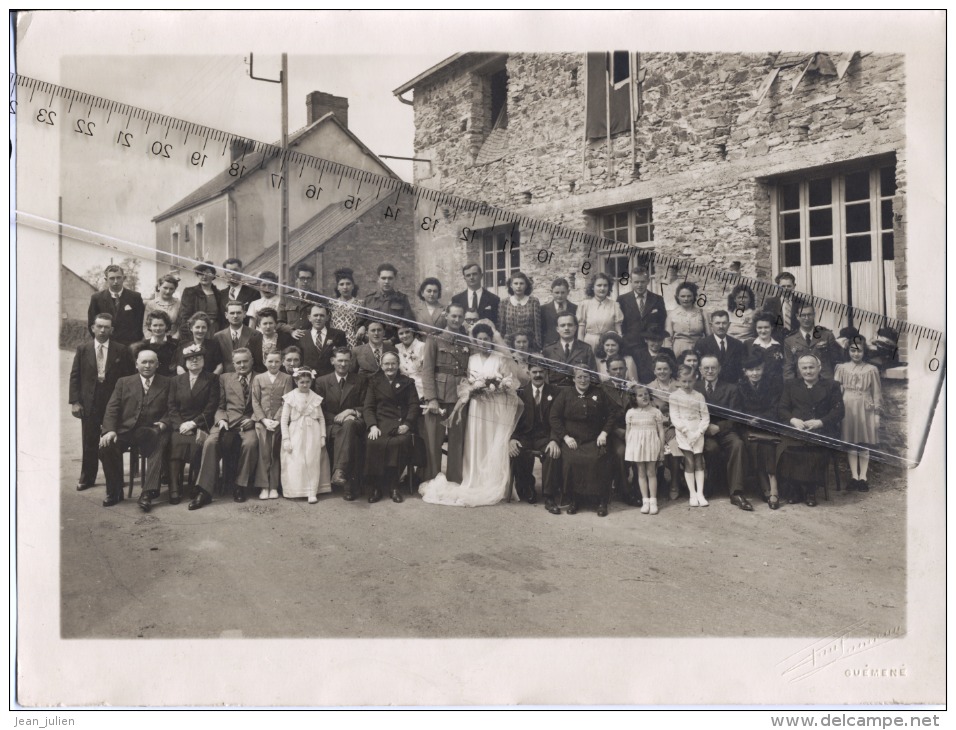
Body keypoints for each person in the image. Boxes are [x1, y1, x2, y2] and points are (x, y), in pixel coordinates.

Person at [419, 321, 524, 507]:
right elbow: (466, 381)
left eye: (486, 339)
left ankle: (492, 479)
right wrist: (474, 388)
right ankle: (473, 478)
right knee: (475, 441)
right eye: (479, 339)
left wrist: (498, 386)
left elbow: (510, 381)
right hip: (476, 405)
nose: (483, 342)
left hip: (494, 406)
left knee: (492, 442)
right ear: (475, 341)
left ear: (492, 340)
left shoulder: (500, 358)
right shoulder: (472, 358)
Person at [98, 348, 171, 510]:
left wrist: (164, 423)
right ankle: (115, 491)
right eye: (143, 362)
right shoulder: (123, 382)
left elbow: (172, 409)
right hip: (127, 430)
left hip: (153, 430)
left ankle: (148, 493)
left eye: (151, 362)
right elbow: (112, 408)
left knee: (158, 445)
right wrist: (110, 430)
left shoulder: (167, 382)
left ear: (157, 364)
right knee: (106, 447)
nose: (147, 365)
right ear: (136, 364)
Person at [70, 313, 134, 492]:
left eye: (106, 327)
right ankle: (87, 478)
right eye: (99, 326)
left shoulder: (121, 349)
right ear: (93, 328)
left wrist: (125, 402)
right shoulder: (83, 349)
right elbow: (75, 376)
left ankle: (116, 479)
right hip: (89, 402)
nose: (103, 330)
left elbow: (129, 378)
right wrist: (75, 401)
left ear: (112, 330)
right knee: (89, 441)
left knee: (112, 440)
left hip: (113, 403)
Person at [190, 348, 259, 509]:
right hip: (226, 421)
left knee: (251, 443)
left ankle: (240, 486)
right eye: (238, 362)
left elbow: (264, 404)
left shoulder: (260, 378)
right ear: (233, 364)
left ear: (252, 361)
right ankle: (205, 491)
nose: (242, 365)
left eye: (245, 361)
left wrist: (254, 419)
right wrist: (221, 420)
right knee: (211, 442)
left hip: (248, 423)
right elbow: (219, 405)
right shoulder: (224, 378)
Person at [548, 366, 619, 517]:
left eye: (586, 377)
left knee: (598, 459)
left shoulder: (599, 393)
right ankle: (575, 499)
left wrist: (604, 433)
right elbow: (554, 417)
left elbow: (612, 414)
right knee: (571, 460)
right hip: (573, 440)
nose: (583, 380)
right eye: (579, 377)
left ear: (590, 378)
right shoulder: (565, 394)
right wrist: (566, 437)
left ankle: (601, 500)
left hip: (594, 439)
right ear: (573, 379)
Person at [778, 353, 845, 507]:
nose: (808, 371)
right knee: (788, 448)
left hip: (822, 430)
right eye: (804, 368)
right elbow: (782, 408)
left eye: (811, 367)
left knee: (814, 450)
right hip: (797, 429)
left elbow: (839, 412)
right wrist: (793, 420)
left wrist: (820, 422)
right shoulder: (791, 385)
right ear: (799, 370)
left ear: (819, 368)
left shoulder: (832, 385)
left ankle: (810, 490)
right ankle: (795, 489)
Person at [420, 303, 471, 483]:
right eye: (453, 316)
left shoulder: (467, 341)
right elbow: (427, 371)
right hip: (439, 397)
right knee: (434, 441)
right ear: (446, 317)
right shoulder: (434, 339)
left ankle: (455, 479)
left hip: (459, 397)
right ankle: (432, 480)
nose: (457, 320)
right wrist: (431, 398)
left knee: (457, 442)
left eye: (460, 317)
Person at [696, 355, 752, 511]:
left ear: (719, 369)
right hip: (703, 432)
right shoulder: (695, 387)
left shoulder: (731, 388)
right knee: (711, 448)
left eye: (713, 367)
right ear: (700, 370)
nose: (710, 371)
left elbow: (736, 415)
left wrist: (719, 427)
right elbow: (690, 413)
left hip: (725, 430)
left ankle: (736, 492)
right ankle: (709, 485)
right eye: (706, 368)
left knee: (738, 444)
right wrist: (705, 428)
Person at [166, 343, 219, 506]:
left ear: (204, 360)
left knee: (198, 445)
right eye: (190, 359)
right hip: (180, 425)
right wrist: (181, 424)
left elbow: (211, 407)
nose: (194, 361)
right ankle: (174, 488)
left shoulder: (212, 379)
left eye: (198, 358)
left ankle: (195, 485)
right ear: (185, 362)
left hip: (200, 423)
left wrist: (194, 423)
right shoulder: (176, 381)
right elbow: (171, 406)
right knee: (175, 443)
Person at [364, 351, 420, 504]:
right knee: (373, 442)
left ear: (398, 364)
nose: (390, 367)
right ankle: (376, 487)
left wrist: (407, 424)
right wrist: (373, 426)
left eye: (393, 363)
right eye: (386, 364)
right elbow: (368, 407)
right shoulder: (374, 381)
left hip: (400, 424)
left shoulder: (407, 382)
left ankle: (394, 486)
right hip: (380, 424)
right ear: (381, 366)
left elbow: (414, 405)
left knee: (399, 443)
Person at [313, 348, 368, 500]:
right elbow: (320, 409)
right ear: (333, 361)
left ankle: (339, 470)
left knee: (350, 425)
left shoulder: (360, 380)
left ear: (351, 362)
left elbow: (366, 405)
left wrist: (350, 412)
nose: (343, 364)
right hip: (332, 425)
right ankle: (349, 486)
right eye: (340, 360)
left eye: (346, 360)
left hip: (356, 421)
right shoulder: (322, 381)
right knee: (352, 439)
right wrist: (340, 418)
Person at [510, 359, 561, 509]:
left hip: (545, 437)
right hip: (525, 436)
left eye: (541, 372)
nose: (538, 375)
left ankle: (549, 495)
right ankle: (527, 487)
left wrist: (554, 439)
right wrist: (512, 439)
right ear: (528, 373)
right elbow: (512, 419)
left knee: (552, 453)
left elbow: (558, 420)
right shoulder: (520, 393)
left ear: (546, 373)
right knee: (517, 451)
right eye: (534, 372)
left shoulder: (555, 392)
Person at [834, 336, 882, 493]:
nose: (855, 354)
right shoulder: (841, 368)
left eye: (859, 350)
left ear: (864, 351)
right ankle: (854, 476)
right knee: (851, 442)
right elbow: (836, 392)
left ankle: (863, 477)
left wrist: (876, 415)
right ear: (848, 351)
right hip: (847, 407)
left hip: (865, 407)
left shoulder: (871, 370)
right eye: (852, 350)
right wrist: (836, 410)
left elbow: (876, 393)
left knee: (863, 443)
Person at [737, 354, 783, 509]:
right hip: (747, 426)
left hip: (766, 424)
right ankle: (765, 486)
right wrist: (747, 419)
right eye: (751, 370)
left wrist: (761, 419)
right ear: (745, 371)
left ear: (763, 369)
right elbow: (737, 409)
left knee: (768, 445)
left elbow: (775, 407)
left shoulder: (771, 384)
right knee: (753, 444)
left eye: (758, 369)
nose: (755, 373)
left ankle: (772, 486)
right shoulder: (740, 386)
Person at [281, 368, 330, 504]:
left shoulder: (315, 398)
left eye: (307, 382)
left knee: (312, 460)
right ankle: (294, 489)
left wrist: (322, 436)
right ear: (296, 381)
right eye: (301, 382)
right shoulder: (290, 397)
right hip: (295, 431)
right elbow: (284, 420)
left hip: (313, 431)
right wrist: (286, 439)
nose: (305, 385)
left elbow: (321, 418)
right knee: (296, 461)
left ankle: (311, 491)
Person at [252, 350, 294, 500]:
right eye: (270, 361)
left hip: (279, 422)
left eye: (277, 361)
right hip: (262, 423)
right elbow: (255, 401)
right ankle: (264, 486)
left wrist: (276, 420)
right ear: (265, 361)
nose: (273, 364)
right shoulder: (258, 378)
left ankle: (274, 486)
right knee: (264, 454)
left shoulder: (287, 378)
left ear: (282, 362)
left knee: (275, 453)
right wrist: (263, 420)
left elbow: (287, 400)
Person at [669, 364, 709, 507]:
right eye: (684, 381)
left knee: (699, 462)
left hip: (697, 432)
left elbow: (705, 417)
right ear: (678, 380)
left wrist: (698, 433)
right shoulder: (674, 396)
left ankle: (700, 493)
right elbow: (675, 417)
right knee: (689, 462)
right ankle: (692, 493)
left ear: (695, 380)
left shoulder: (699, 396)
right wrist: (686, 432)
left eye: (690, 381)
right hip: (684, 433)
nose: (687, 384)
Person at [646, 353, 683, 501]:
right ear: (654, 371)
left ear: (671, 370)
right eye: (659, 369)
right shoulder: (649, 388)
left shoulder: (680, 386)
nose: (662, 372)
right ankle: (654, 482)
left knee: (675, 447)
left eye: (665, 369)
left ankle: (674, 482)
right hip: (656, 427)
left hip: (676, 426)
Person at [602, 355, 639, 506]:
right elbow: (601, 415)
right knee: (621, 452)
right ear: (608, 371)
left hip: (634, 430)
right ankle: (625, 491)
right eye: (614, 369)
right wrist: (617, 431)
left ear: (626, 369)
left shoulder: (633, 388)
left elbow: (641, 408)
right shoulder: (602, 388)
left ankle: (638, 489)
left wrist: (632, 392)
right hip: (613, 432)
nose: (618, 372)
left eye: (621, 369)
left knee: (641, 450)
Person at [626, 385, 667, 515]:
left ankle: (653, 501)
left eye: (646, 394)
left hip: (651, 444)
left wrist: (661, 450)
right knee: (641, 473)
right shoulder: (631, 413)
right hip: (637, 446)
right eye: (640, 395)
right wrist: (630, 448)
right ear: (634, 398)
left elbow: (660, 431)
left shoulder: (655, 412)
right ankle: (645, 501)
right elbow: (628, 432)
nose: (644, 396)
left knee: (651, 472)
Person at [88, 264, 146, 346]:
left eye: (118, 277)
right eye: (112, 278)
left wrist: (136, 343)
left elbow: (141, 322)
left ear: (124, 278)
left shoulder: (135, 297)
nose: (116, 281)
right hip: (107, 344)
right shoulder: (97, 298)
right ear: (106, 279)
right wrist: (101, 341)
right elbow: (92, 324)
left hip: (130, 345)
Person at [783, 300, 843, 381]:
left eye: (809, 315)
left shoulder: (827, 336)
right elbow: (788, 367)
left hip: (825, 382)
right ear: (797, 316)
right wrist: (792, 388)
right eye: (803, 315)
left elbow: (836, 361)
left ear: (814, 315)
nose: (806, 318)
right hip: (802, 383)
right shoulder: (790, 340)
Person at [618, 266, 667, 358]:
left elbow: (662, 322)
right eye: (636, 282)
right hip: (629, 346)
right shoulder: (622, 300)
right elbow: (620, 324)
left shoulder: (657, 299)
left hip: (650, 347)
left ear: (648, 281)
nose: (639, 285)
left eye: (642, 282)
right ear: (631, 282)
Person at [361, 263, 416, 342]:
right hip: (372, 344)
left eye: (390, 278)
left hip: (395, 344)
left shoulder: (402, 299)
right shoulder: (369, 300)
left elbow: (408, 325)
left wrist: (392, 341)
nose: (386, 281)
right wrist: (367, 336)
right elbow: (359, 324)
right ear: (378, 279)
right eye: (383, 278)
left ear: (395, 279)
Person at [541, 312, 598, 389]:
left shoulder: (586, 349)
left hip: (578, 393)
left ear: (575, 327)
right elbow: (544, 377)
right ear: (557, 329)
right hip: (555, 393)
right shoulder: (548, 350)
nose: (566, 328)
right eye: (562, 325)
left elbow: (593, 377)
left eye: (570, 325)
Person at [694, 310, 746, 384]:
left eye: (724, 323)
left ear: (729, 324)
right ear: (711, 325)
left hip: (732, 386)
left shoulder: (737, 344)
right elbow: (698, 368)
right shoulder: (702, 344)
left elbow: (740, 368)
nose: (721, 326)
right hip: (710, 385)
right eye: (717, 323)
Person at [214, 300, 265, 374]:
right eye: (232, 313)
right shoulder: (218, 337)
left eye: (238, 313)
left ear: (244, 314)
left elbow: (258, 364)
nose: (235, 316)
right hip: (227, 380)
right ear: (226, 315)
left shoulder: (255, 335)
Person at [298, 304, 348, 377]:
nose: (318, 318)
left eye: (322, 315)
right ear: (309, 318)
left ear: (327, 317)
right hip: (309, 380)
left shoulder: (338, 335)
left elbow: (343, 357)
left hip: (331, 379)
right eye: (315, 315)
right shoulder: (302, 336)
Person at [577, 272, 623, 349]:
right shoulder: (585, 305)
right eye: (599, 285)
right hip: (589, 343)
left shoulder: (615, 305)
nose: (602, 288)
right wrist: (581, 349)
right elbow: (581, 332)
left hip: (608, 344)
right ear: (592, 287)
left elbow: (619, 332)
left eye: (605, 285)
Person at [178, 261, 224, 339]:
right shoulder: (190, 292)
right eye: (200, 273)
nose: (204, 276)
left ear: (213, 275)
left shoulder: (219, 294)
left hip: (215, 330)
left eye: (208, 273)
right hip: (197, 330)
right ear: (197, 275)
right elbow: (185, 316)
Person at [499, 271, 542, 351]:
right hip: (509, 345)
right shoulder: (504, 302)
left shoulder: (533, 301)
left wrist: (538, 347)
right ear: (511, 285)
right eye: (516, 283)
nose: (518, 286)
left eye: (521, 283)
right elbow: (502, 327)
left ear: (526, 285)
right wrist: (501, 347)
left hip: (529, 345)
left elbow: (537, 327)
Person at [664, 282, 709, 357]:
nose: (686, 299)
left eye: (689, 296)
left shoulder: (702, 313)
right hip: (679, 350)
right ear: (677, 297)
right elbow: (668, 338)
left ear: (694, 296)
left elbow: (709, 336)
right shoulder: (672, 314)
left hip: (698, 349)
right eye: (683, 296)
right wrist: (669, 355)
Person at [451, 263, 500, 327]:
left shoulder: (494, 299)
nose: (471, 277)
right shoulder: (457, 299)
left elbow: (496, 322)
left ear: (481, 276)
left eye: (474, 274)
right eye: (468, 275)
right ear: (464, 278)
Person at [277, 263, 322, 333]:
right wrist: (292, 331)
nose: (305, 281)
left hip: (311, 339)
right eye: (302, 278)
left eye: (308, 279)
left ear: (312, 280)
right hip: (290, 338)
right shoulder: (287, 298)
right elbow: (279, 323)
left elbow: (324, 322)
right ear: (296, 279)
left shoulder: (318, 298)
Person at [329, 267, 366, 348]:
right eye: (341, 284)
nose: (345, 287)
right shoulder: (331, 304)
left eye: (348, 284)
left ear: (353, 286)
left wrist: (363, 327)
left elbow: (365, 321)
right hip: (336, 342)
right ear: (338, 287)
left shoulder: (361, 304)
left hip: (355, 343)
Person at [217, 258, 261, 322]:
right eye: (228, 271)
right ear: (225, 273)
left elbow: (256, 318)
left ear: (241, 271)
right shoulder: (221, 294)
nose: (232, 273)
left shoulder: (253, 293)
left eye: (235, 270)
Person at [748, 311, 785, 386]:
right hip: (755, 387)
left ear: (772, 327)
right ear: (755, 328)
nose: (763, 331)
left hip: (775, 387)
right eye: (759, 328)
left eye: (766, 327)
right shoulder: (748, 345)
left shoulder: (778, 346)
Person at [762, 271, 799, 343]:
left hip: (796, 340)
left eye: (789, 286)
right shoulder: (770, 302)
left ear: (794, 286)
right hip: (776, 340)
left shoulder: (801, 302)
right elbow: (766, 323)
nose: (786, 289)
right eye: (783, 286)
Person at [540, 277, 577, 348]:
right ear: (551, 292)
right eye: (557, 293)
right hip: (549, 347)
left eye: (563, 292)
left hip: (570, 346)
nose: (560, 296)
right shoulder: (543, 309)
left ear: (568, 292)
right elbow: (541, 331)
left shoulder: (575, 308)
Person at [143, 274, 182, 341]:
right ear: (159, 287)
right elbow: (146, 325)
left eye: (171, 289)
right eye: (165, 288)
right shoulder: (151, 304)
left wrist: (175, 337)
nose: (168, 291)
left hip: (174, 340)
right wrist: (151, 340)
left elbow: (181, 324)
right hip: (155, 340)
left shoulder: (179, 304)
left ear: (175, 290)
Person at [140, 310, 178, 376]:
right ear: (149, 327)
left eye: (161, 325)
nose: (158, 328)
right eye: (155, 325)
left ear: (166, 326)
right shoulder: (143, 346)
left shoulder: (175, 344)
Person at [395, 323, 426, 400]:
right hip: (403, 387)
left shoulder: (422, 346)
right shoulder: (397, 348)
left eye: (407, 332)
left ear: (412, 332)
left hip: (420, 387)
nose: (404, 335)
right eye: (401, 333)